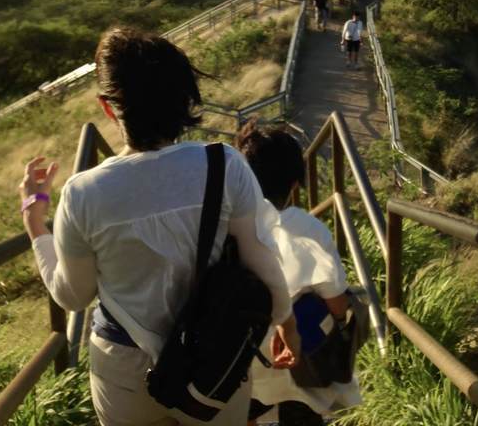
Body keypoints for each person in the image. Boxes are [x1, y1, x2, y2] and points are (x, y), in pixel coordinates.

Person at [19, 27, 300, 426]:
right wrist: (287, 325)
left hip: (124, 369)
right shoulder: (225, 165)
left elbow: (73, 295)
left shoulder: (83, 193)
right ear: (183, 100)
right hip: (216, 357)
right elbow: (263, 264)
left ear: (108, 106)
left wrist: (35, 221)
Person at [236, 121, 361, 426]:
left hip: (237, 372)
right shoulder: (307, 228)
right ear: (295, 184)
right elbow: (337, 305)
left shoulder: (225, 226)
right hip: (297, 375)